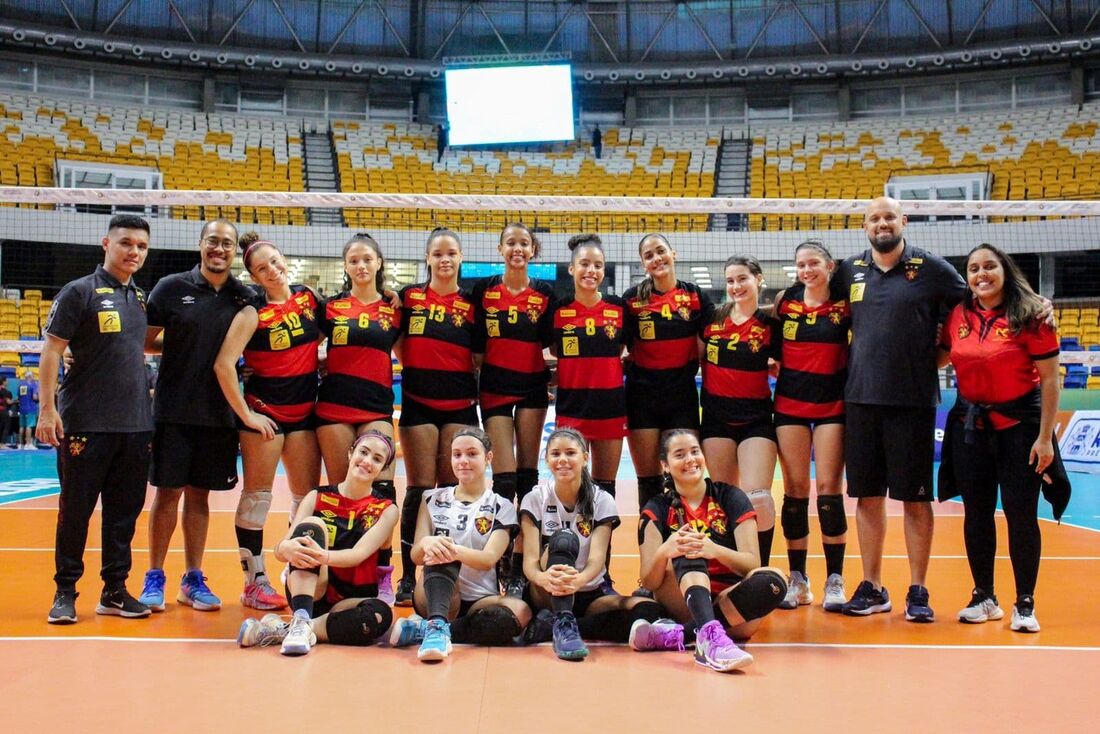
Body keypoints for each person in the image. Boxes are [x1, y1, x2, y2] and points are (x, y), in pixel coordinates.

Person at [832, 196, 967, 623]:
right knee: (868, 498)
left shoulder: (931, 269)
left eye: (889, 216)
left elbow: (975, 306)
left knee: (914, 499)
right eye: (874, 218)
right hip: (860, 400)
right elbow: (814, 304)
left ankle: (918, 589)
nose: (882, 223)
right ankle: (872, 586)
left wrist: (940, 356)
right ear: (865, 226)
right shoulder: (848, 270)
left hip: (912, 402)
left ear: (903, 221)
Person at [938, 244, 1064, 633]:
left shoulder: (1031, 315)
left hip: (1020, 430)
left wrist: (1045, 438)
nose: (981, 274)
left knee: (1020, 514)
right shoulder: (958, 314)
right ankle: (983, 596)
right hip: (971, 429)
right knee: (975, 514)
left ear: (1005, 271)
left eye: (989, 266)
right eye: (974, 268)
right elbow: (938, 358)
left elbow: (1049, 380)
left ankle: (1024, 603)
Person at [39, 214, 154, 624]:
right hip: (85, 423)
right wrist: (48, 409)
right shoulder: (79, 292)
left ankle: (115, 591)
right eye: (126, 243)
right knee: (76, 512)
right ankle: (65, 591)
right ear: (106, 243)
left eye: (141, 246)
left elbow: (144, 347)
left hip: (136, 426)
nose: (134, 252)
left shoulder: (140, 298)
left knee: (124, 515)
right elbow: (52, 351)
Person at [136, 219, 253, 614]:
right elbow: (147, 341)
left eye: (227, 244)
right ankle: (154, 576)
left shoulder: (243, 296)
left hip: (218, 413)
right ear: (201, 244)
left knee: (200, 497)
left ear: (235, 251)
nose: (219, 249)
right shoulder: (171, 288)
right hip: (172, 409)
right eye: (213, 241)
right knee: (167, 493)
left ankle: (192, 578)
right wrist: (185, 340)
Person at [214, 234, 322, 611]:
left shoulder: (308, 298)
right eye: (263, 268)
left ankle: (297, 568)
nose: (273, 271)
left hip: (306, 413)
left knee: (306, 499)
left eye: (276, 262)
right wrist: (246, 414)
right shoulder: (250, 312)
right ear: (254, 276)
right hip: (267, 415)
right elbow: (224, 364)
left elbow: (344, 321)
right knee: (257, 500)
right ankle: (254, 580)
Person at [638, 430, 787, 672]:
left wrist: (713, 549)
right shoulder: (656, 507)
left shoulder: (731, 496)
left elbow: (752, 564)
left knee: (775, 581)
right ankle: (709, 639)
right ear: (665, 465)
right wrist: (666, 550)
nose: (690, 459)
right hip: (681, 597)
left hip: (731, 601)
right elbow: (649, 580)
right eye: (680, 454)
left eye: (695, 452)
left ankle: (682, 635)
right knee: (687, 546)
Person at [238, 430, 399, 655]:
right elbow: (282, 549)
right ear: (351, 453)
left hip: (352, 596)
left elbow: (358, 554)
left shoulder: (386, 509)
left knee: (380, 616)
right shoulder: (317, 496)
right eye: (363, 452)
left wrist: (322, 555)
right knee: (312, 526)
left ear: (383, 468)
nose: (367, 461)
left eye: (377, 459)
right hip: (313, 590)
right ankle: (302, 616)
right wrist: (285, 548)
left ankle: (290, 629)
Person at [519, 427, 663, 661]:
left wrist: (579, 580)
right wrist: (541, 579)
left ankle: (562, 625)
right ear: (546, 459)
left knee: (648, 610)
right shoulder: (535, 498)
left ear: (585, 458)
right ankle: (564, 621)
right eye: (555, 454)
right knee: (563, 539)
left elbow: (597, 560)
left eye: (570, 453)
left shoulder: (601, 499)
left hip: (588, 589)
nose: (562, 460)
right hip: (546, 588)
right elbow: (530, 562)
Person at [390, 427, 532, 661]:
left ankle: (425, 630)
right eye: (457, 455)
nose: (463, 461)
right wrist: (427, 542)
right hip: (434, 591)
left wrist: (454, 550)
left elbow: (487, 560)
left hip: (480, 598)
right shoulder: (433, 499)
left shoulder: (501, 506)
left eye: (471, 454)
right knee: (439, 551)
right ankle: (437, 622)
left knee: (521, 612)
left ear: (488, 458)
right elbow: (416, 555)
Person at [394, 227, 479, 605]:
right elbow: (395, 339)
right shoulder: (408, 298)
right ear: (427, 258)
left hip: (460, 403)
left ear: (460, 258)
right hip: (418, 401)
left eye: (452, 253)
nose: (445, 260)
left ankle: (443, 570)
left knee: (449, 491)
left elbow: (481, 355)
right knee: (419, 488)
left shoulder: (473, 303)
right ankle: (408, 577)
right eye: (438, 253)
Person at [315, 232, 401, 601]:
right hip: (334, 407)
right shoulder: (331, 307)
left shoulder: (396, 308)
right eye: (353, 260)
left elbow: (413, 352)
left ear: (379, 263)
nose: (361, 266)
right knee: (343, 496)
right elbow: (304, 344)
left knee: (380, 494)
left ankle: (382, 573)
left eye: (367, 259)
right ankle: (338, 578)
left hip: (377, 408)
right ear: (346, 266)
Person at [470, 223, 555, 594]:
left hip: (533, 386)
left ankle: (523, 563)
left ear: (532, 250)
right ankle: (500, 562)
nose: (517, 249)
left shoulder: (545, 293)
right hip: (494, 386)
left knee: (527, 476)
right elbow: (473, 344)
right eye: (511, 243)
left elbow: (554, 343)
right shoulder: (483, 290)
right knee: (503, 481)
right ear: (500, 248)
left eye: (524, 243)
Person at [772, 240, 850, 612]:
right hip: (789, 406)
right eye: (801, 264)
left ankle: (835, 579)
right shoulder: (785, 303)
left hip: (832, 406)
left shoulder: (845, 304)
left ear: (830, 265)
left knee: (829, 490)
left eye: (814, 263)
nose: (807, 270)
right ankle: (798, 579)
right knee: (795, 491)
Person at [698, 255, 779, 566]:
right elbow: (693, 358)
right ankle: (729, 568)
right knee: (723, 500)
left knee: (758, 498)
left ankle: (761, 571)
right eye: (730, 281)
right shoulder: (712, 320)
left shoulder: (771, 326)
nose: (736, 286)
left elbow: (785, 368)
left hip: (756, 421)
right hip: (716, 420)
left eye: (742, 279)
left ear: (757, 279)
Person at [623, 233, 711, 516]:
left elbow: (714, 338)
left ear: (674, 253)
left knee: (684, 478)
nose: (656, 258)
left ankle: (688, 551)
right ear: (643, 264)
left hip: (682, 396)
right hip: (641, 396)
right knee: (648, 483)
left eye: (660, 251)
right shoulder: (632, 300)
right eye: (649, 255)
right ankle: (651, 547)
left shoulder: (694, 296)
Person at [18, 370, 39, 449]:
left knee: (21, 426)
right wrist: (39, 398)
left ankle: (21, 444)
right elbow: (34, 397)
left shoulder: (21, 385)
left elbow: (19, 397)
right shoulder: (33, 385)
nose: (34, 378)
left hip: (22, 408)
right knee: (29, 426)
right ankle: (28, 444)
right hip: (30, 408)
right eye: (33, 376)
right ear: (30, 377)